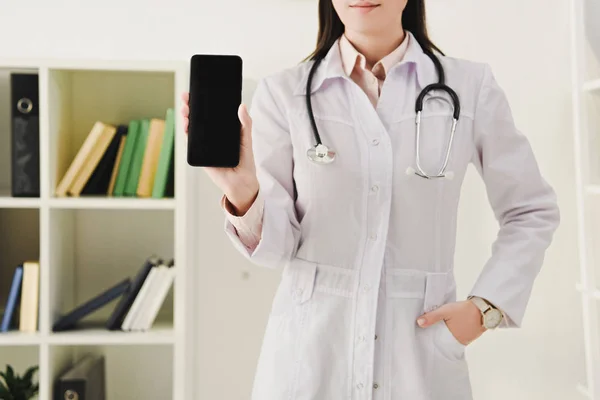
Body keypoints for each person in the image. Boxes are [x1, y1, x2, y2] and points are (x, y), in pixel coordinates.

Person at [182, 0, 561, 398]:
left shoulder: (470, 87)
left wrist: (485, 308)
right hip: (308, 363)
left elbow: (531, 210)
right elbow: (277, 251)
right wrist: (242, 189)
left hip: (420, 360)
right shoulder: (284, 94)